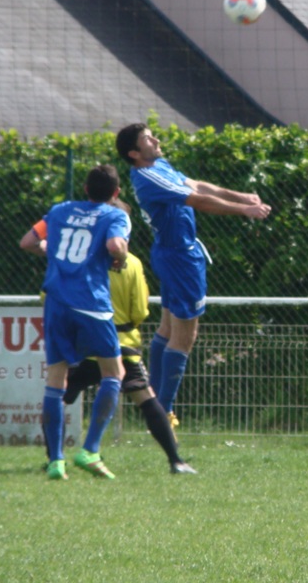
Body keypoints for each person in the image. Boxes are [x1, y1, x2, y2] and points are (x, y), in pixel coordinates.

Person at [20, 198, 197, 475]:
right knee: (146, 399)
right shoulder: (132, 263)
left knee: (58, 394)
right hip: (121, 342)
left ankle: (55, 457)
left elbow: (48, 295)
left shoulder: (73, 258)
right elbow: (140, 310)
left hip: (82, 345)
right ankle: (175, 460)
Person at [115, 123, 272, 431]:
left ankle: (153, 404)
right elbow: (196, 200)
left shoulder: (159, 165)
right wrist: (244, 210)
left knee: (167, 328)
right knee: (185, 336)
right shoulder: (147, 177)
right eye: (147, 138)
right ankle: (164, 414)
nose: (156, 139)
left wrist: (243, 197)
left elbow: (197, 186)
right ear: (134, 153)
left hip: (173, 254)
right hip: (180, 259)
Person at [27, 164, 129, 480]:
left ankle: (56, 461)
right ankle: (90, 450)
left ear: (85, 189)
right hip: (91, 303)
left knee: (56, 379)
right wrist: (121, 258)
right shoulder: (115, 215)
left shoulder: (60, 211)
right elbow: (115, 246)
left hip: (57, 302)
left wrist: (53, 252)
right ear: (116, 192)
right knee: (114, 372)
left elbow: (28, 242)